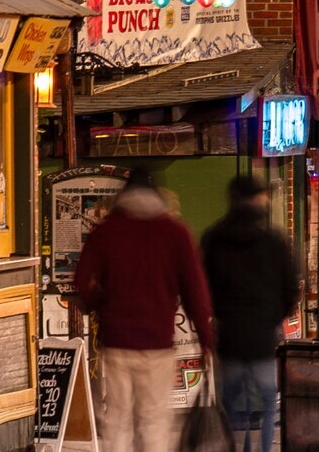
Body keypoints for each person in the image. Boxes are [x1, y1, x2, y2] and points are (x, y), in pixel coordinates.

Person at [74, 169, 216, 452]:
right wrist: (206, 340)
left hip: (117, 343)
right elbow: (195, 291)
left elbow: (82, 282)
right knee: (153, 419)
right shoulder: (175, 233)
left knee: (118, 420)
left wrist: (101, 306)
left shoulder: (106, 231)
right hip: (157, 345)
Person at [199, 175, 299, 452]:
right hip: (262, 338)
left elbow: (203, 286)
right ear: (256, 200)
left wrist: (220, 316)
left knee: (230, 406)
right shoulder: (273, 241)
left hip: (228, 336)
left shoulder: (213, 239)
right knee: (268, 404)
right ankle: (262, 449)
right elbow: (290, 288)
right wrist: (272, 316)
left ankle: (233, 447)